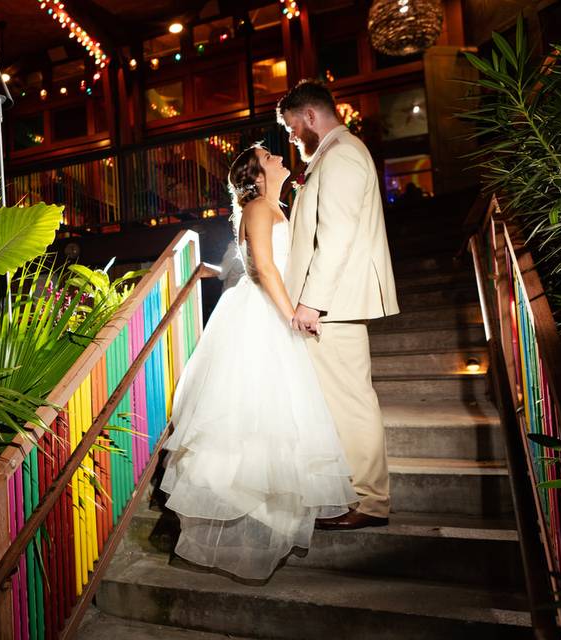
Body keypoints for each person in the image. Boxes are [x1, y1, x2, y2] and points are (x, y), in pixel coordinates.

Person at [159, 143, 358, 581]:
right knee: (251, 414)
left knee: (280, 415)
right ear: (256, 172)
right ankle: (248, 520)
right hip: (260, 313)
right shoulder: (258, 207)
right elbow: (265, 268)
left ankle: (273, 516)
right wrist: (291, 315)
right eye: (269, 155)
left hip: (269, 308)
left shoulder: (273, 206)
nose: (278, 156)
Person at [277, 80, 400, 530]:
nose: (292, 138)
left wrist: (312, 303)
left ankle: (370, 501)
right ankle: (352, 493)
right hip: (330, 304)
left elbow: (337, 237)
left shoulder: (344, 154)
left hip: (335, 305)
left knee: (351, 402)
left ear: (310, 116)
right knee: (337, 402)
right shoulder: (331, 156)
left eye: (292, 127)